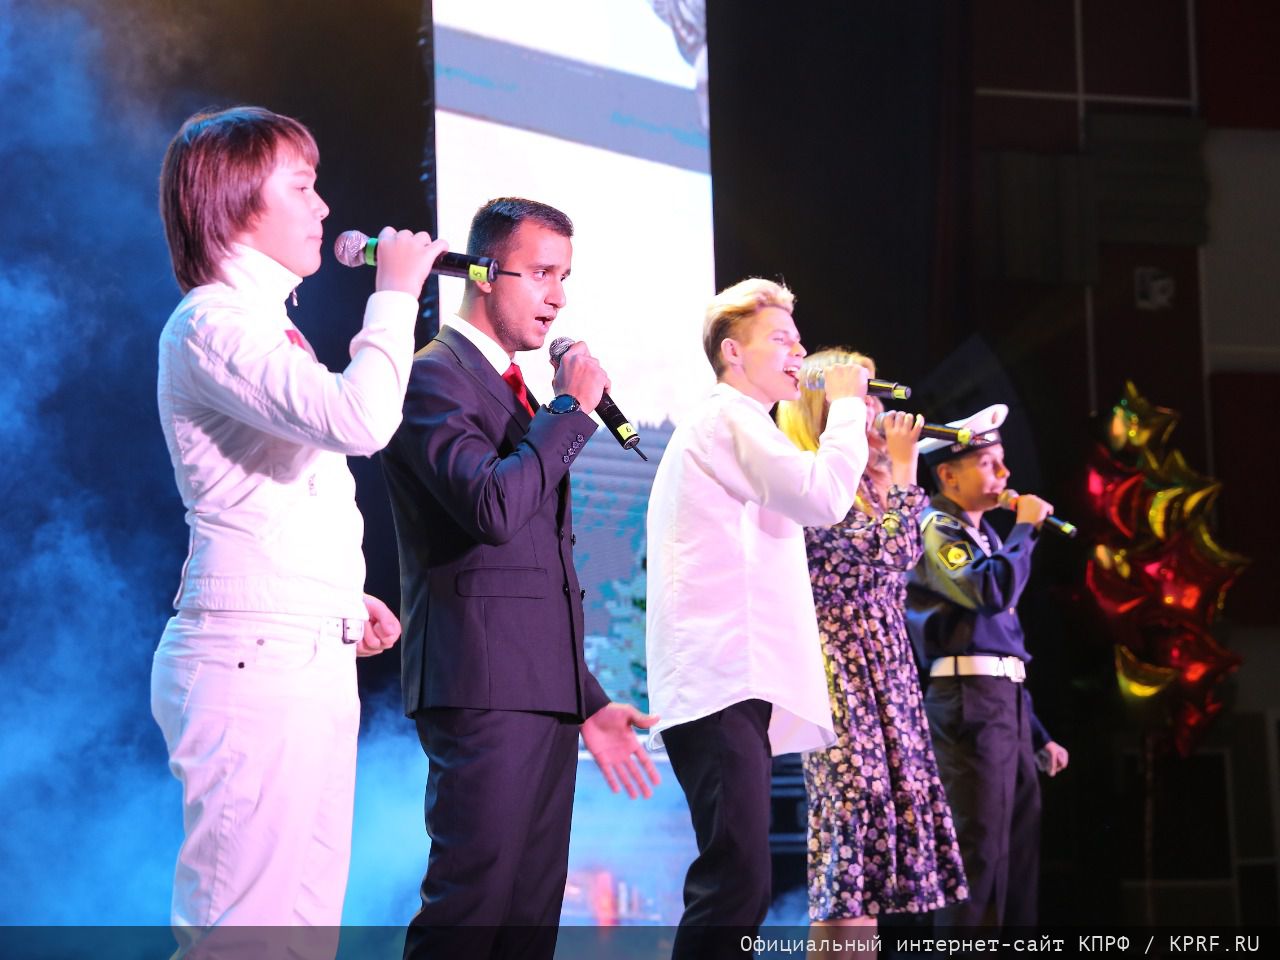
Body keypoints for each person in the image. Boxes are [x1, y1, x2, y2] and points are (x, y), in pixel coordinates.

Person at [150, 106, 446, 953]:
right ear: (237, 200)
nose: (324, 208)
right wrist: (395, 296)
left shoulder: (263, 326)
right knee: (242, 935)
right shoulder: (212, 323)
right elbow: (361, 420)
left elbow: (274, 491)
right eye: (303, 187)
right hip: (251, 657)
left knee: (300, 937)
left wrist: (337, 597)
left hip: (295, 645)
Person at [380, 197, 661, 960]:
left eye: (564, 277)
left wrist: (588, 700)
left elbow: (533, 570)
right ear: (482, 273)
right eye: (540, 274)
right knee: (470, 912)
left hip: (541, 694)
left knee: (528, 922)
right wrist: (570, 407)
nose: (558, 297)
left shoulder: (518, 393)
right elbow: (494, 509)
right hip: (480, 687)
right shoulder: (430, 377)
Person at [645, 279, 870, 959]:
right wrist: (848, 409)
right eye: (781, 338)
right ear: (732, 352)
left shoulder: (745, 426)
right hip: (719, 680)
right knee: (735, 882)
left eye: (799, 339)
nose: (799, 351)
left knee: (740, 881)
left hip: (730, 682)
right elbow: (824, 496)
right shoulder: (728, 419)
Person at [775, 349, 968, 944]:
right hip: (843, 672)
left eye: (874, 399)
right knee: (851, 842)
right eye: (862, 401)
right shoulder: (814, 484)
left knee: (879, 859)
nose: (878, 413)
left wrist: (889, 472)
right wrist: (905, 470)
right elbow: (890, 554)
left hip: (888, 672)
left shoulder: (868, 489)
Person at [904, 404, 1070, 929]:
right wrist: (1025, 530)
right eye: (987, 463)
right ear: (949, 475)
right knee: (977, 855)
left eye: (1002, 460)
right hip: (968, 704)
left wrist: (1036, 732)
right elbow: (989, 591)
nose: (1004, 473)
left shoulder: (986, 538)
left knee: (1016, 859)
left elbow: (1003, 646)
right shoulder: (936, 529)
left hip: (1004, 704)